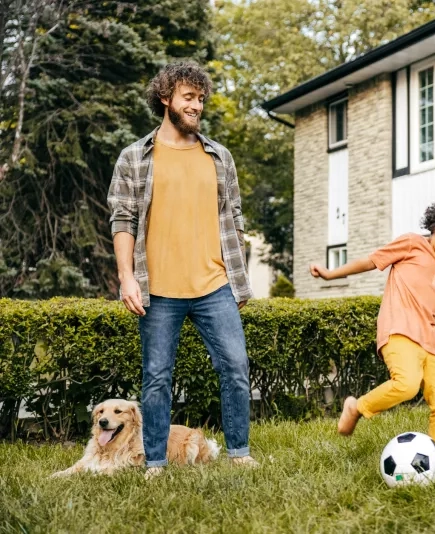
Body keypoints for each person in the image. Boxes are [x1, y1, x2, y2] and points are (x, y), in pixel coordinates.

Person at [107, 61, 258, 479]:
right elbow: (122, 220)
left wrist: (236, 276)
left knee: (236, 366)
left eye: (201, 99)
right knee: (156, 378)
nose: (197, 106)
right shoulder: (135, 157)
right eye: (189, 98)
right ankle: (155, 462)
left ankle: (239, 451)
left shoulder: (219, 157)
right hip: (159, 291)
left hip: (214, 285)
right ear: (165, 98)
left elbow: (234, 217)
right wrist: (126, 278)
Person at [310, 188, 435, 452]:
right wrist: (331, 275)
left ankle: (434, 459)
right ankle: (357, 407)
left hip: (430, 344)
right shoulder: (411, 243)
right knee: (407, 384)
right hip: (399, 332)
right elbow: (370, 261)